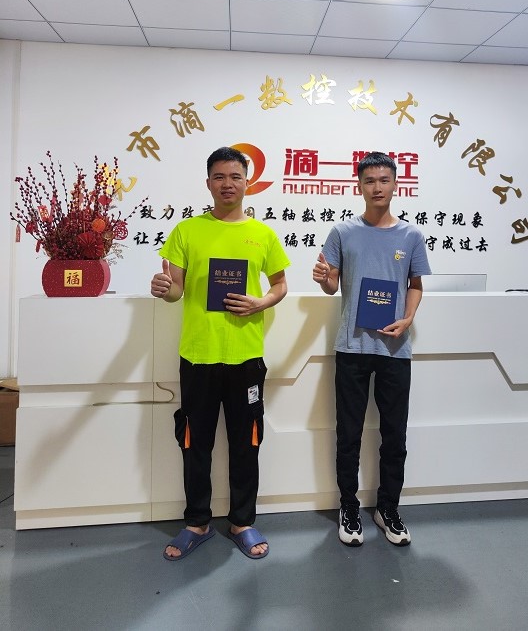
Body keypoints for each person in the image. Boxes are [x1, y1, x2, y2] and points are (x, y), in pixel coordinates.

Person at [151, 146, 290, 561]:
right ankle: (197, 522)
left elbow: (280, 285)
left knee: (247, 442)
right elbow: (176, 289)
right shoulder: (186, 231)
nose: (227, 184)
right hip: (198, 356)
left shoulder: (263, 234)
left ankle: (242, 522)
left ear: (248, 182)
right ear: (208, 182)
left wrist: (260, 303)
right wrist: (165, 290)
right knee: (195, 442)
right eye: (219, 177)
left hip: (246, 357)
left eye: (235, 176)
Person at [312, 151, 431, 547]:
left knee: (395, 435)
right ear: (359, 186)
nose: (377, 187)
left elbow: (416, 285)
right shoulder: (343, 232)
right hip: (352, 347)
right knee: (348, 434)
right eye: (369, 181)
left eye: (384, 180)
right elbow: (331, 285)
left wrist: (408, 319)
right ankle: (348, 506)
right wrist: (325, 278)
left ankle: (387, 508)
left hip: (395, 349)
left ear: (396, 184)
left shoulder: (411, 236)